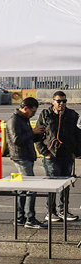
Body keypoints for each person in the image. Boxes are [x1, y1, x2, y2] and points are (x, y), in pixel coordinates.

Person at [36, 91, 79, 222]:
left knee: (65, 184)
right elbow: (38, 135)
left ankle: (63, 210)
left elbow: (78, 135)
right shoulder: (45, 115)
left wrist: (76, 153)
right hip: (52, 155)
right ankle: (51, 211)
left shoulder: (72, 115)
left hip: (67, 155)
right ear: (53, 102)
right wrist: (45, 152)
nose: (61, 104)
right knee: (52, 184)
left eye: (64, 101)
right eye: (59, 101)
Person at [6, 97, 47, 228]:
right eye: (32, 112)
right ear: (25, 108)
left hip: (26, 156)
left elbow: (28, 138)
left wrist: (38, 134)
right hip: (20, 157)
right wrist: (32, 132)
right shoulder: (14, 120)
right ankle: (30, 217)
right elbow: (16, 140)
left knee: (23, 188)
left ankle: (20, 217)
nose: (33, 115)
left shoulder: (23, 119)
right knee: (31, 187)